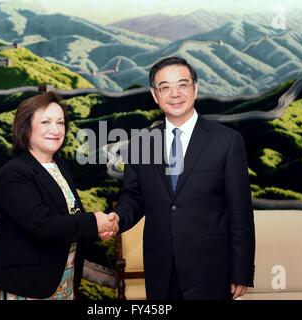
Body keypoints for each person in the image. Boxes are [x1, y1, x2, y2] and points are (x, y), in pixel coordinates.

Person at [106, 57, 255, 300]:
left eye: (182, 85)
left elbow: (240, 211)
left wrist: (242, 271)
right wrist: (117, 219)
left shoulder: (227, 141)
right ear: (156, 95)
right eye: (165, 87)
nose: (174, 93)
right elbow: (133, 197)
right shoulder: (140, 144)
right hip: (160, 267)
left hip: (211, 269)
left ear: (195, 89)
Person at [0, 92, 118, 300]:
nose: (55, 129)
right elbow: (42, 225)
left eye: (60, 122)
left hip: (64, 279)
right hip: (26, 284)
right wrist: (94, 223)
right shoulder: (14, 173)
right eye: (45, 122)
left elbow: (70, 217)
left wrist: (100, 227)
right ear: (25, 127)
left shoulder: (60, 167)